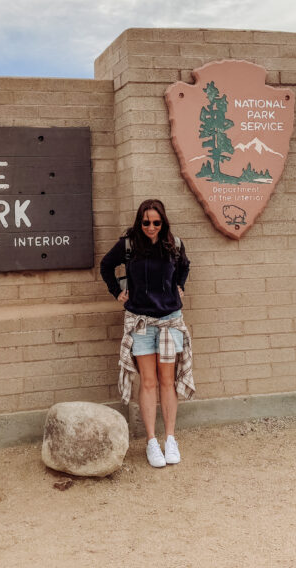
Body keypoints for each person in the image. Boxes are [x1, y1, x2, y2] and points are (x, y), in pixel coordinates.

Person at [100, 198, 193, 468]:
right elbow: (106, 265)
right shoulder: (129, 245)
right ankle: (152, 441)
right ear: (139, 222)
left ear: (163, 222)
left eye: (156, 222)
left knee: (168, 381)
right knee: (148, 382)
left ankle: (171, 439)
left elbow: (185, 266)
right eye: (146, 222)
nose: (151, 227)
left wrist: (180, 286)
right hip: (140, 322)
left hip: (169, 320)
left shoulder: (173, 244)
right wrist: (117, 292)